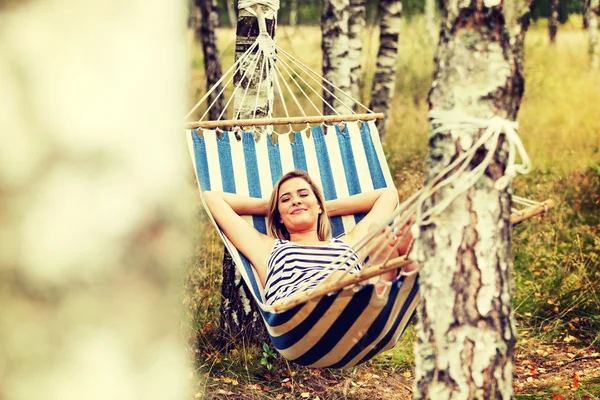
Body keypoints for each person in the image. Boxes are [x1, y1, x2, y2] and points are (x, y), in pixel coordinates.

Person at [202, 170, 414, 305]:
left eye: (303, 194)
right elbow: (213, 199)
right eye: (286, 199)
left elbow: (388, 195)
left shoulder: (348, 243)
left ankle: (382, 276)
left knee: (353, 270)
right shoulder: (267, 249)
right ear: (279, 217)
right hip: (298, 317)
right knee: (339, 277)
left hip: (354, 308)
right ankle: (382, 275)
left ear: (320, 206)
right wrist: (278, 206)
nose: (296, 201)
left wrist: (316, 205)